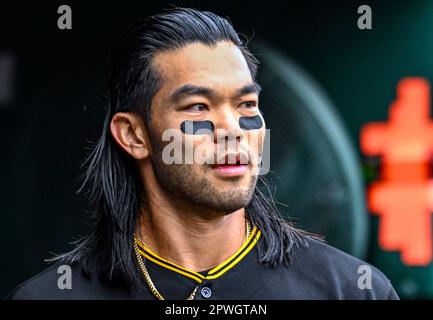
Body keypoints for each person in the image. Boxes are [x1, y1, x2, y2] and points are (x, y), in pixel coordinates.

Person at [7, 7, 399, 300]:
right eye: (198, 107)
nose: (231, 130)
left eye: (247, 105)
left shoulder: (350, 290)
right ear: (133, 135)